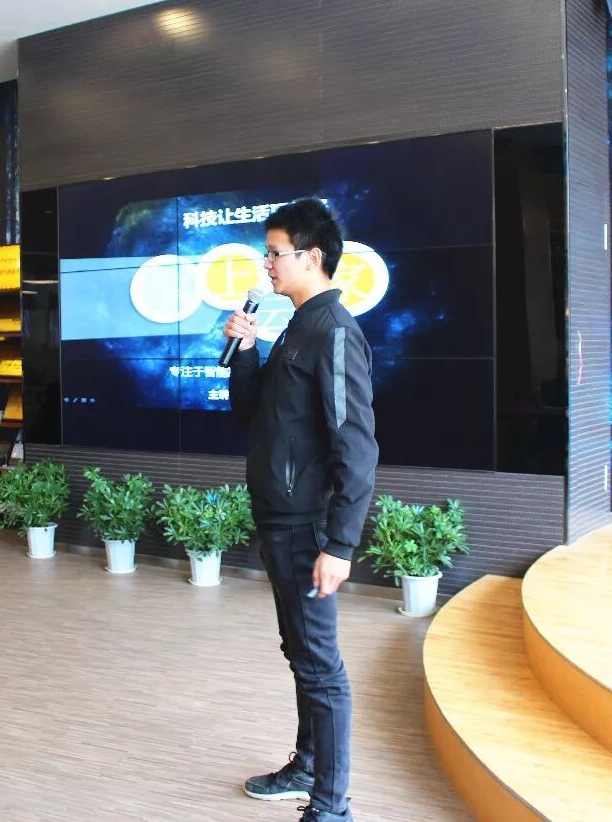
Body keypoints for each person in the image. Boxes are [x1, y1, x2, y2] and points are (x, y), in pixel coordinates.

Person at [225, 199, 378, 822]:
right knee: (301, 654)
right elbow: (252, 413)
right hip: (279, 518)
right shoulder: (297, 325)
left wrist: (339, 545)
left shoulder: (334, 330)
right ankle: (309, 767)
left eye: (275, 252)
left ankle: (331, 808)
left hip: (306, 526)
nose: (267, 264)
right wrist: (245, 349)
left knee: (321, 667)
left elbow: (357, 446)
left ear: (312, 256)